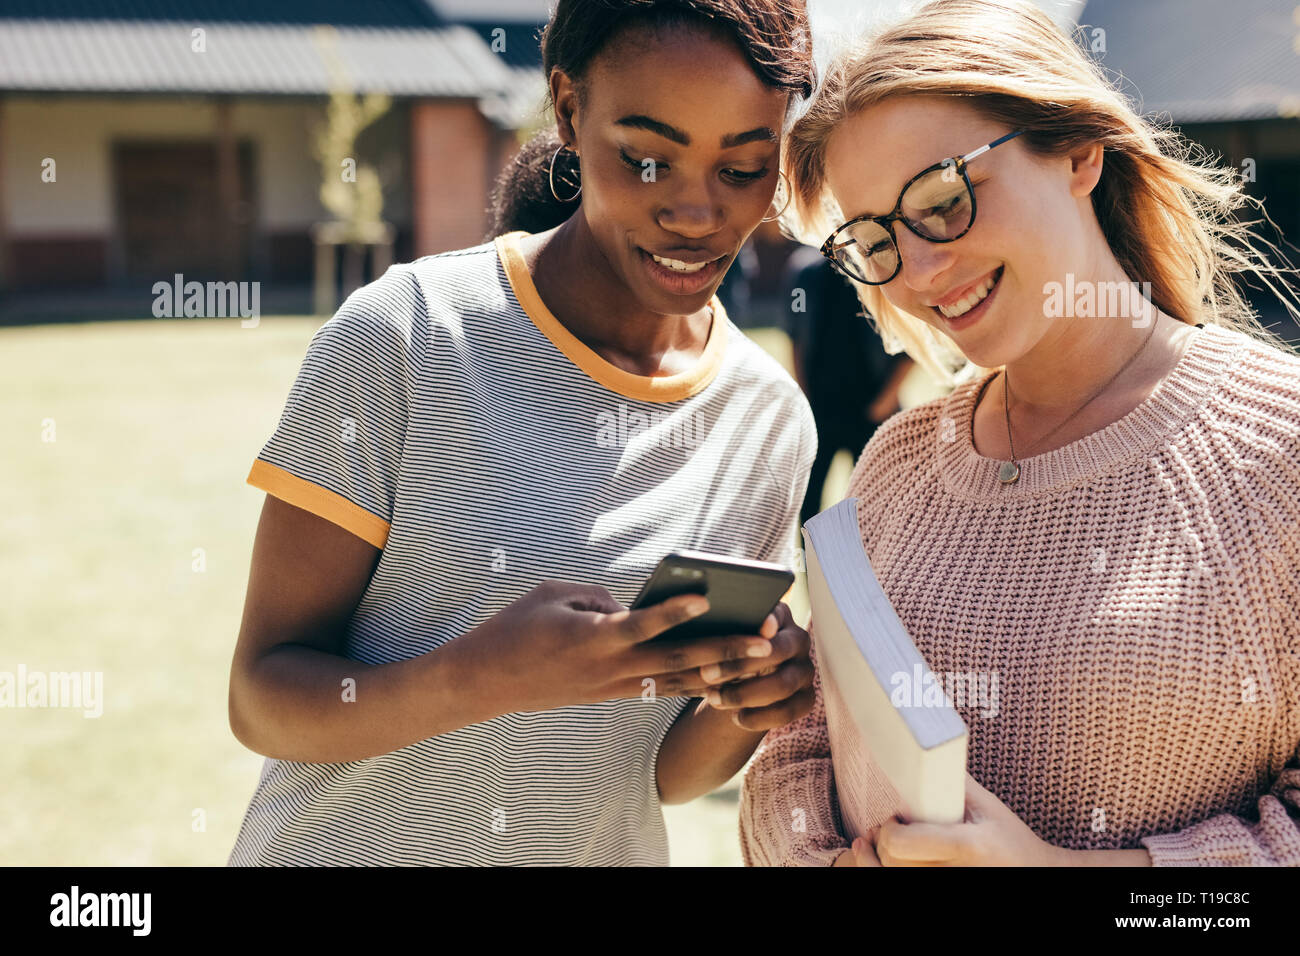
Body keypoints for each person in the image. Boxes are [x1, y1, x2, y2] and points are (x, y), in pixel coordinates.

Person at [226, 0, 820, 866]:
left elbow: (656, 773)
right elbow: (261, 697)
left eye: (743, 169)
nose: (696, 214)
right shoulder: (406, 334)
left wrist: (746, 703)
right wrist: (483, 678)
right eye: (648, 159)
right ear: (570, 109)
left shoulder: (767, 420)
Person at [741, 0, 1300, 866]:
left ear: (1079, 154)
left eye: (942, 197)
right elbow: (802, 753)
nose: (920, 271)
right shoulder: (895, 467)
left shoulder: (1279, 448)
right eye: (876, 239)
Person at [781, 245, 914, 526]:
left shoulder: (883, 272)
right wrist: (803, 392)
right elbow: (795, 333)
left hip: (871, 408)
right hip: (820, 407)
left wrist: (885, 401)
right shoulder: (804, 273)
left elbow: (911, 343)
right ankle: (812, 564)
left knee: (876, 504)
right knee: (809, 501)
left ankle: (873, 566)